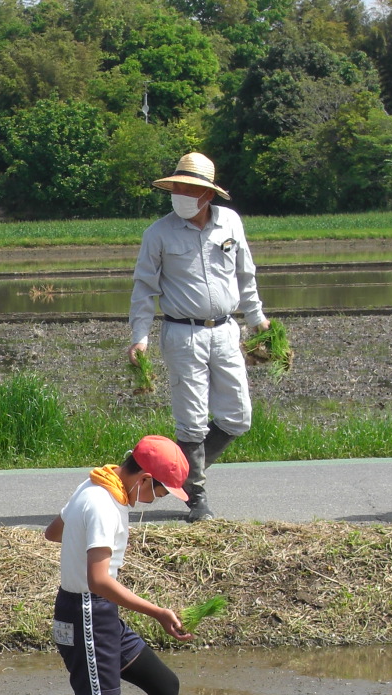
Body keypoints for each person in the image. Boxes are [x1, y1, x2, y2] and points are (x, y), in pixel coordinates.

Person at [44, 436, 192, 695]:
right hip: (87, 617)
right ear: (143, 477)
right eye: (160, 491)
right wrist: (158, 611)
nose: (158, 500)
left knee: (164, 686)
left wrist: (82, 535)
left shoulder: (95, 483)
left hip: (98, 616)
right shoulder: (103, 505)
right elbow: (100, 581)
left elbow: (53, 532)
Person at [129, 152, 271, 522]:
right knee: (191, 421)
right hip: (182, 333)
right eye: (176, 187)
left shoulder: (230, 224)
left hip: (225, 331)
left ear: (207, 194)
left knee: (237, 416)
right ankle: (197, 498)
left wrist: (257, 319)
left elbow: (246, 274)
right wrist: (139, 336)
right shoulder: (159, 233)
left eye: (188, 189)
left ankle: (174, 474)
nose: (180, 194)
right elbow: (144, 288)